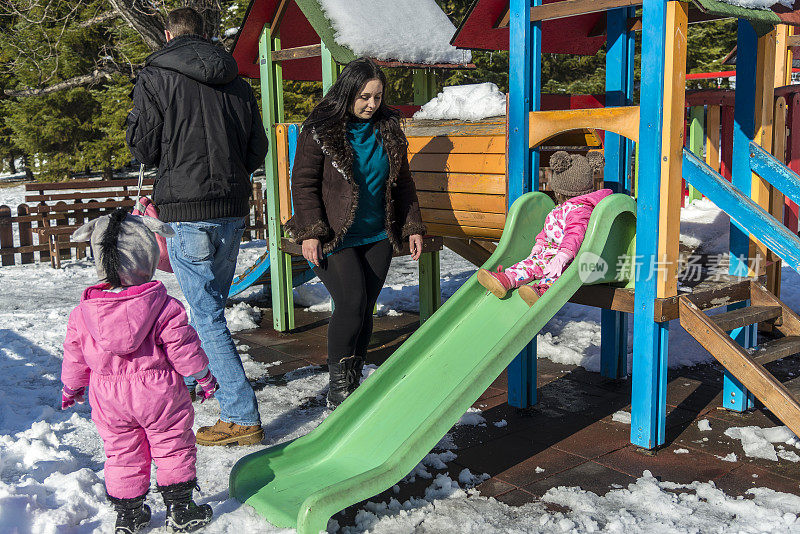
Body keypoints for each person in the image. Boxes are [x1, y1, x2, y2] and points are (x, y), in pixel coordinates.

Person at [126, 7, 268, 446]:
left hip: (187, 207)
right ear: (206, 35)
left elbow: (143, 147)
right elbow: (257, 147)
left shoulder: (155, 76)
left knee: (206, 314)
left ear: (168, 34)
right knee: (209, 307)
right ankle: (197, 377)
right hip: (231, 205)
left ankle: (241, 415)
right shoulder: (237, 82)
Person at [62, 209, 216, 534]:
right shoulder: (163, 306)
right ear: (147, 254)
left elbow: (74, 355)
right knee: (172, 444)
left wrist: (71, 387)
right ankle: (181, 509)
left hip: (109, 399)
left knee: (122, 453)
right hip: (160, 395)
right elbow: (183, 347)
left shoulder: (83, 313)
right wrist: (202, 375)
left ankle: (129, 517)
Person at [286, 58, 426, 407]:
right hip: (333, 236)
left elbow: (403, 182)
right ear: (348, 92)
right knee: (351, 302)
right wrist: (312, 232)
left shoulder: (388, 127)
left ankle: (353, 378)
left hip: (376, 233)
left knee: (365, 308)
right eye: (364, 96)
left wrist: (411, 226)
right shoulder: (320, 128)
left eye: (378, 97)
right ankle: (337, 388)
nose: (372, 104)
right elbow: (302, 184)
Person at [477, 150, 611, 305]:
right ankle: (507, 279)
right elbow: (547, 230)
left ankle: (544, 291)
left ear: (561, 190)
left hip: (570, 257)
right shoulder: (560, 209)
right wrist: (539, 245)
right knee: (530, 263)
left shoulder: (579, 210)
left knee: (558, 272)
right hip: (549, 252)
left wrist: (563, 256)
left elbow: (575, 234)